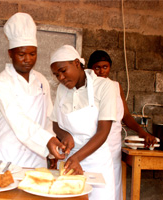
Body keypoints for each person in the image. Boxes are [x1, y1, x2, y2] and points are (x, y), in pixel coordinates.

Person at [0, 12, 65, 168]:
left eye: (32, 53)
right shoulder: (1, 82)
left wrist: (52, 150)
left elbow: (48, 118)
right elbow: (17, 118)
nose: (28, 59)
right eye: (21, 54)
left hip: (37, 156)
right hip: (8, 155)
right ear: (10, 53)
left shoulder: (41, 80)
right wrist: (46, 140)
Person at [87, 50, 157, 200]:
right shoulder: (88, 88)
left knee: (113, 184)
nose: (101, 71)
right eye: (97, 67)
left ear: (110, 67)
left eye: (105, 67)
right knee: (93, 186)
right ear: (90, 69)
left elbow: (125, 116)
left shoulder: (115, 86)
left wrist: (142, 132)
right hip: (94, 144)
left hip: (113, 145)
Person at [49, 45, 117, 200]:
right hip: (70, 161)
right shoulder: (62, 90)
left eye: (63, 70)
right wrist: (65, 135)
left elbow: (103, 132)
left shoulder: (105, 87)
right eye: (56, 75)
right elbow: (55, 123)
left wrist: (77, 158)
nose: (61, 78)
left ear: (77, 63)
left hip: (96, 162)